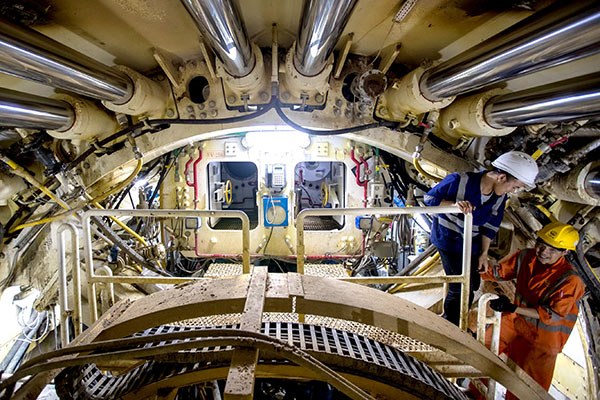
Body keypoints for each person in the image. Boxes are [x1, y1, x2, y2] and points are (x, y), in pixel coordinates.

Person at [424, 151, 538, 326]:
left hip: (471, 244)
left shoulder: (500, 198)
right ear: (500, 177)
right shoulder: (459, 180)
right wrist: (453, 205)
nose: (513, 191)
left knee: (473, 283)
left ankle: (456, 322)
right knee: (461, 286)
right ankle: (451, 325)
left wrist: (483, 254)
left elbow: (490, 226)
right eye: (514, 187)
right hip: (449, 240)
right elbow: (429, 199)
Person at [479, 222, 585, 399]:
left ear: (565, 252)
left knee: (524, 390)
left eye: (552, 250)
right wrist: (475, 261)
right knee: (482, 353)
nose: (543, 251)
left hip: (542, 341)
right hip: (515, 322)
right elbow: (497, 272)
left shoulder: (570, 280)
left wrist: (512, 307)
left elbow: (551, 315)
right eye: (541, 244)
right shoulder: (526, 257)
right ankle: (476, 395)